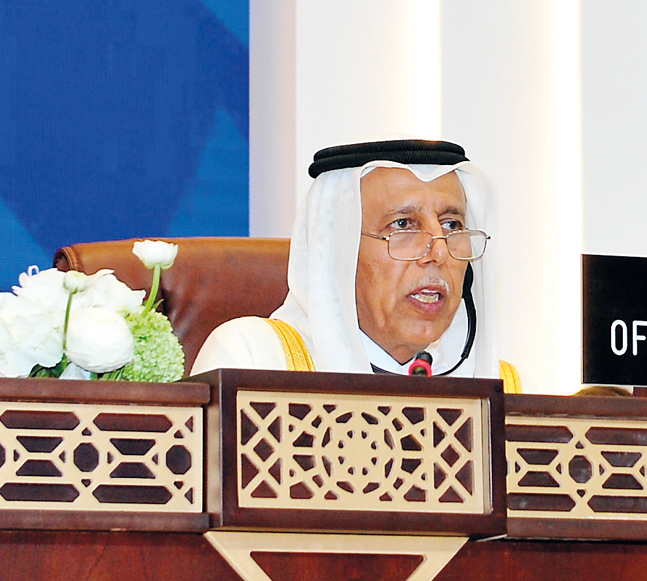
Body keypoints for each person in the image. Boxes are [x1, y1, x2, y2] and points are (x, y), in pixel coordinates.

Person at [191, 139, 521, 392]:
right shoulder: (254, 362)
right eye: (403, 225)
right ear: (340, 252)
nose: (438, 252)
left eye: (451, 225)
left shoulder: (507, 388)